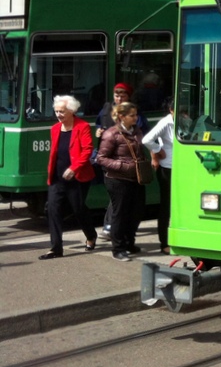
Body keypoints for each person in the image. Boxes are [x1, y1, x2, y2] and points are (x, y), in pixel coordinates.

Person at [39, 95, 98, 259]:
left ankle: (91, 235)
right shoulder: (55, 129)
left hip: (77, 177)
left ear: (72, 111)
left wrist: (74, 168)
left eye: (62, 111)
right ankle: (56, 248)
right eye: (56, 111)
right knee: (53, 210)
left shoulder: (83, 127)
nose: (58, 115)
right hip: (57, 177)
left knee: (78, 209)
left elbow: (87, 150)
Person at [96, 83, 149, 240]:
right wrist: (98, 130)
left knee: (130, 205)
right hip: (116, 166)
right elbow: (99, 123)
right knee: (118, 200)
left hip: (131, 168)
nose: (118, 98)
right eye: (116, 95)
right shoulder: (107, 112)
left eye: (122, 96)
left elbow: (144, 134)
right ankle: (112, 230)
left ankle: (123, 235)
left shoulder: (136, 119)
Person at [143, 96, 174, 254]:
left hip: (182, 167)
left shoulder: (186, 121)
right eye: (179, 112)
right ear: (171, 110)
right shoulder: (166, 122)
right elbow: (147, 139)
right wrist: (157, 150)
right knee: (166, 205)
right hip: (167, 167)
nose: (184, 115)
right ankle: (164, 243)